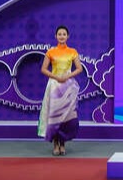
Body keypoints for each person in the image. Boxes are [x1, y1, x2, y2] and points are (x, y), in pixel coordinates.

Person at [39, 25, 83, 156]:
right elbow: (43, 69)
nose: (62, 36)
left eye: (64, 34)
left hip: (67, 86)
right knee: (54, 115)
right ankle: (55, 144)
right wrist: (56, 77)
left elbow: (79, 68)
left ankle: (63, 143)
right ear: (56, 36)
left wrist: (67, 76)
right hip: (54, 86)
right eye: (59, 34)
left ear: (68, 36)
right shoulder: (51, 52)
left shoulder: (72, 51)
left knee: (66, 116)